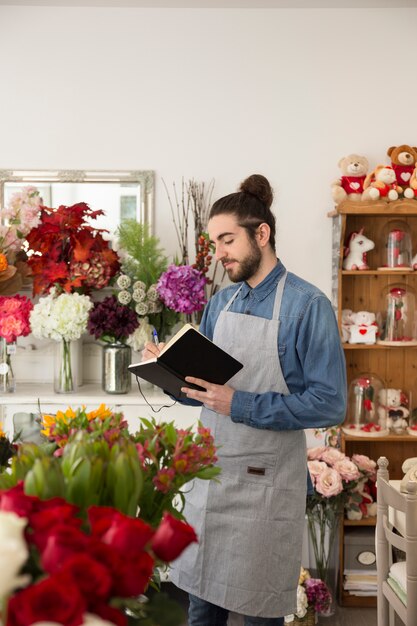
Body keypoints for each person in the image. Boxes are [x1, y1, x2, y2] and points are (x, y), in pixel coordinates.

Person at [142, 174, 347, 626]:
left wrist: (241, 404)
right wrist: (167, 373)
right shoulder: (221, 301)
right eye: (214, 242)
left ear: (262, 233)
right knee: (200, 611)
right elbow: (205, 393)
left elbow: (330, 403)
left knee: (257, 616)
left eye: (227, 240)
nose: (218, 254)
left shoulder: (307, 306)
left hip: (266, 490)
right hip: (212, 479)